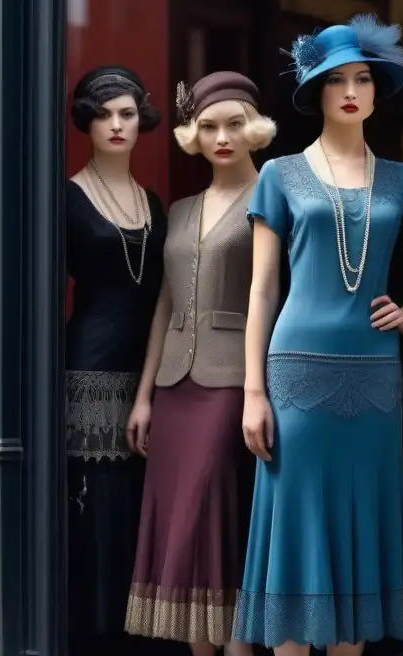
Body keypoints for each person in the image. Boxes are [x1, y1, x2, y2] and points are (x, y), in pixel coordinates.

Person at [233, 14, 403, 656]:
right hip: (295, 375)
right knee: (298, 533)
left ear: (376, 90)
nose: (350, 90)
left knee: (358, 537)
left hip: (376, 375)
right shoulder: (279, 175)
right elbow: (261, 290)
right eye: (335, 78)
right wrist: (252, 392)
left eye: (362, 78)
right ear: (315, 89)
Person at [125, 71, 276, 654]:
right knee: (181, 540)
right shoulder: (182, 209)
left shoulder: (273, 197)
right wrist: (143, 396)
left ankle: (237, 645)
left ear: (254, 129)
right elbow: (163, 303)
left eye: (234, 124)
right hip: (173, 388)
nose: (221, 137)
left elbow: (273, 295)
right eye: (208, 126)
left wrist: (261, 389)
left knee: (211, 523)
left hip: (233, 382)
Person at [65, 65, 167, 654]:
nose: (116, 124)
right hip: (89, 370)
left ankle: (138, 638)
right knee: (93, 506)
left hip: (149, 374)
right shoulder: (69, 197)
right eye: (103, 114)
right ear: (87, 121)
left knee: (136, 505)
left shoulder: (152, 201)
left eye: (126, 112)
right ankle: (94, 636)